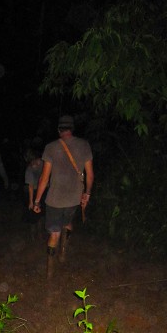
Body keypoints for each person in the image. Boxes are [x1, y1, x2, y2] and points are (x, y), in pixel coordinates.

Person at [32, 114, 94, 279]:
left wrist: (36, 201)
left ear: (59, 129)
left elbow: (44, 178)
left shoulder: (51, 147)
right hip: (74, 198)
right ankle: (63, 253)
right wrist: (87, 194)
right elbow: (90, 175)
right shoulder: (84, 145)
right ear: (72, 128)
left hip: (55, 200)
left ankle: (50, 272)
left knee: (54, 233)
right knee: (67, 223)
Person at [23, 150, 46, 240]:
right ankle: (37, 235)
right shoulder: (43, 162)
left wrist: (31, 202)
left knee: (36, 214)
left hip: (39, 192)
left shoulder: (30, 169)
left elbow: (31, 186)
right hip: (42, 191)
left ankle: (36, 235)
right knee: (39, 214)